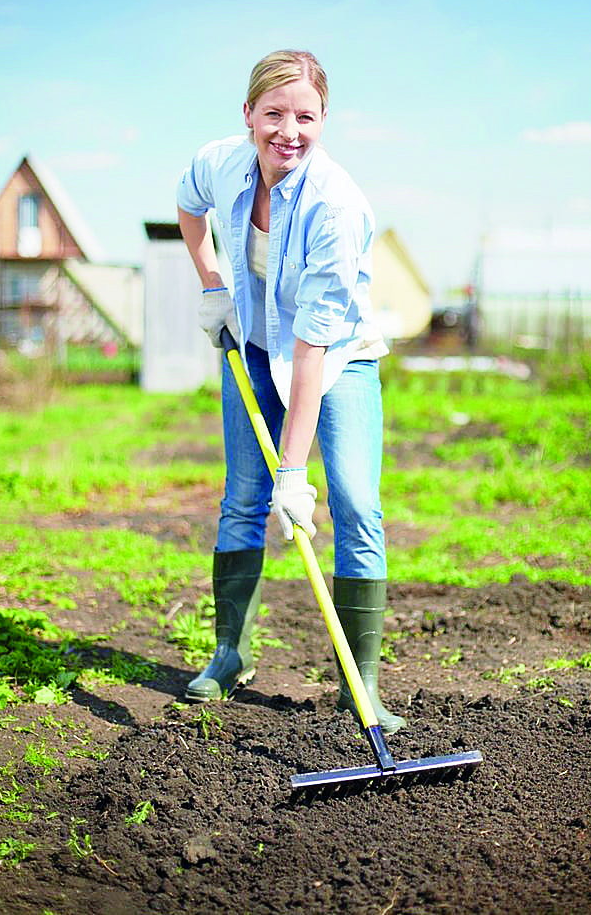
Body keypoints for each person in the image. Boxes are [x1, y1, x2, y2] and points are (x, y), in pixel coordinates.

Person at [176, 50, 404, 734]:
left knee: (357, 504)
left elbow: (311, 349)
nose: (289, 130)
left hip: (335, 361)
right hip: (251, 347)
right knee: (242, 496)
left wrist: (296, 472)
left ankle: (358, 683)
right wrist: (212, 283)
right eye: (274, 113)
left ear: (324, 119)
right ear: (248, 115)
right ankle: (230, 654)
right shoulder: (223, 162)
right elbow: (188, 205)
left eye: (305, 115)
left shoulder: (338, 208)